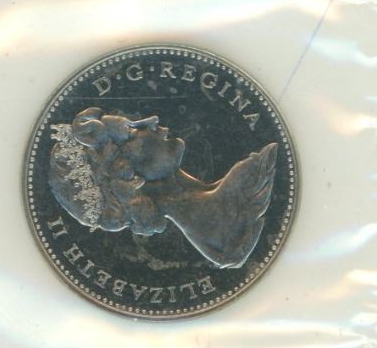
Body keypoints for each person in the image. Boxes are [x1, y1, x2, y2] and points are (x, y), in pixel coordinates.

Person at [48, 106, 278, 269]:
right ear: (128, 173)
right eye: (131, 132)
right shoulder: (251, 176)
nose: (152, 121)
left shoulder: (239, 191)